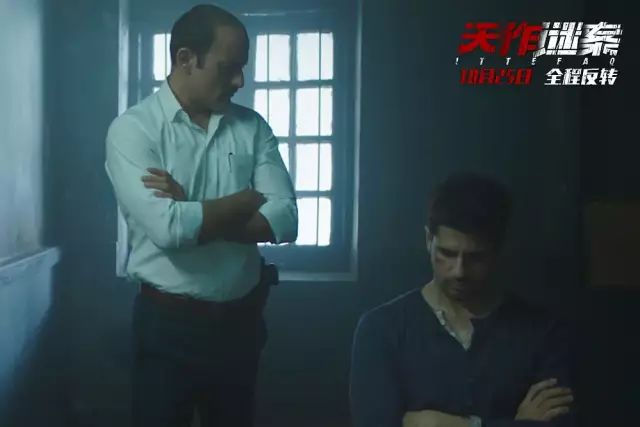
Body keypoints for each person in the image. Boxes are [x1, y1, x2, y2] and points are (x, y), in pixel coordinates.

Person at [104, 4, 297, 427]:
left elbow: (285, 220)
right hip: (165, 327)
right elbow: (168, 228)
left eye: (243, 68)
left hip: (240, 326)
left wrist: (191, 204)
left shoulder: (253, 127)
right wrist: (244, 200)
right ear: (185, 59)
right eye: (229, 68)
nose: (240, 81)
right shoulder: (133, 130)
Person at [349, 173, 575, 427]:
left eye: (475, 257)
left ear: (498, 250)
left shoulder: (543, 332)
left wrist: (440, 424)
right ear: (429, 240)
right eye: (447, 253)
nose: (459, 271)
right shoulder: (381, 329)